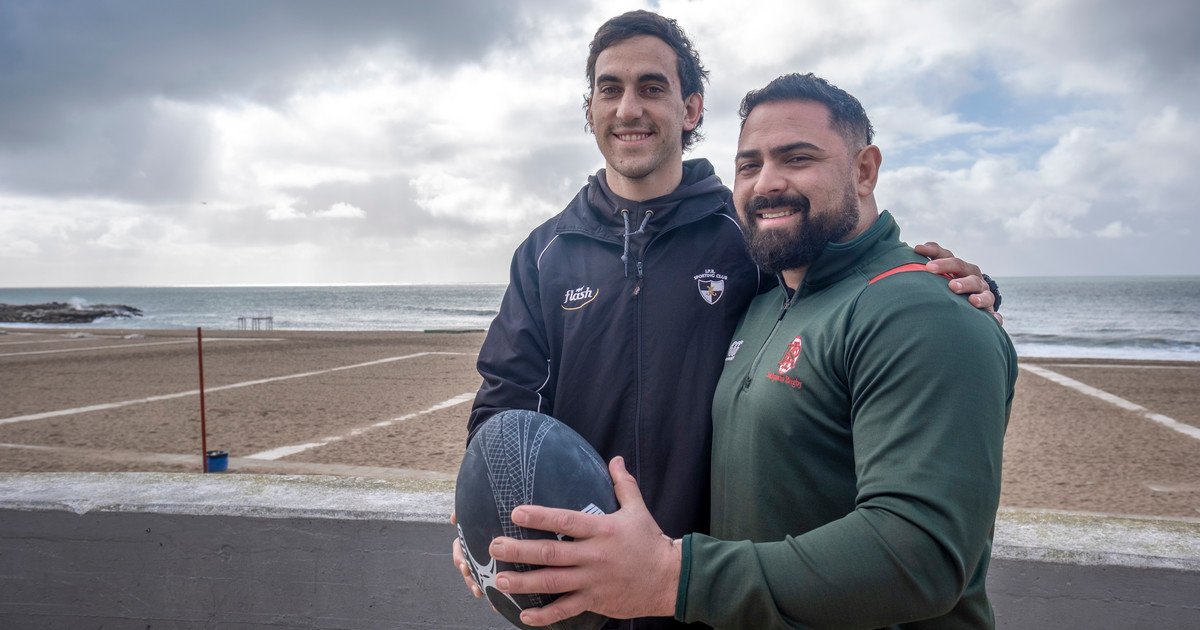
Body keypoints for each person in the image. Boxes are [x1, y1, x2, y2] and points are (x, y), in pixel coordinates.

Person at [455, 11, 999, 628]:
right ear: (589, 110)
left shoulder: (750, 233)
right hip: (585, 588)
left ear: (691, 109)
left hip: (710, 590)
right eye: (610, 89)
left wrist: (959, 291)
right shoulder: (546, 251)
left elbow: (845, 282)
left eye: (651, 87)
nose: (629, 108)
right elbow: (503, 399)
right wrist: (482, 504)